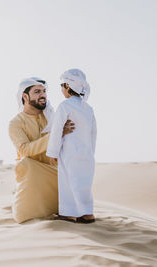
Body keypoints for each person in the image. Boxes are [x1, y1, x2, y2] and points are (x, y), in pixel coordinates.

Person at [9, 77, 75, 223]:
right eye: (37, 92)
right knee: (26, 163)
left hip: (55, 171)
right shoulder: (16, 123)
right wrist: (55, 134)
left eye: (44, 91)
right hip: (33, 175)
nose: (43, 95)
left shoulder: (53, 117)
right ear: (25, 97)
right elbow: (24, 149)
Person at [46, 69, 97, 224]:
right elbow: (93, 133)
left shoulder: (64, 106)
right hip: (86, 153)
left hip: (69, 152)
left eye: (62, 86)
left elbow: (56, 131)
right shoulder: (88, 109)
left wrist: (52, 152)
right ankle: (86, 213)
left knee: (68, 182)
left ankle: (68, 213)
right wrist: (90, 152)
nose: (61, 89)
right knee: (83, 184)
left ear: (68, 85)